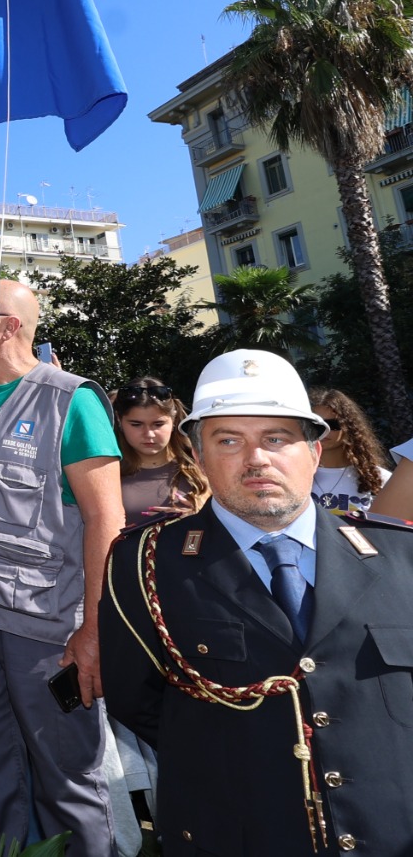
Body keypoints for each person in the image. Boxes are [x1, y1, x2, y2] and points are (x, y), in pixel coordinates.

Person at [100, 349, 413, 855]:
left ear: (313, 452)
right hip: (239, 832)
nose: (257, 458)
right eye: (228, 440)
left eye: (276, 438)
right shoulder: (145, 564)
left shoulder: (402, 556)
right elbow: (138, 700)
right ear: (198, 456)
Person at [0, 281, 123, 857]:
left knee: (69, 778)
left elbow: (104, 520)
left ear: (8, 325)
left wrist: (92, 630)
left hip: (47, 634)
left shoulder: (72, 400)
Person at [113, 378, 209, 524]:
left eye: (158, 424)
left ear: (174, 420)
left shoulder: (205, 467)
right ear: (120, 421)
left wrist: (203, 516)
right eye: (136, 424)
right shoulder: (105, 472)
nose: (149, 434)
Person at [306, 387, 390, 513]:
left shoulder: (380, 480)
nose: (325, 430)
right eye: (315, 425)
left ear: (349, 427)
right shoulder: (289, 475)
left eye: (333, 424)